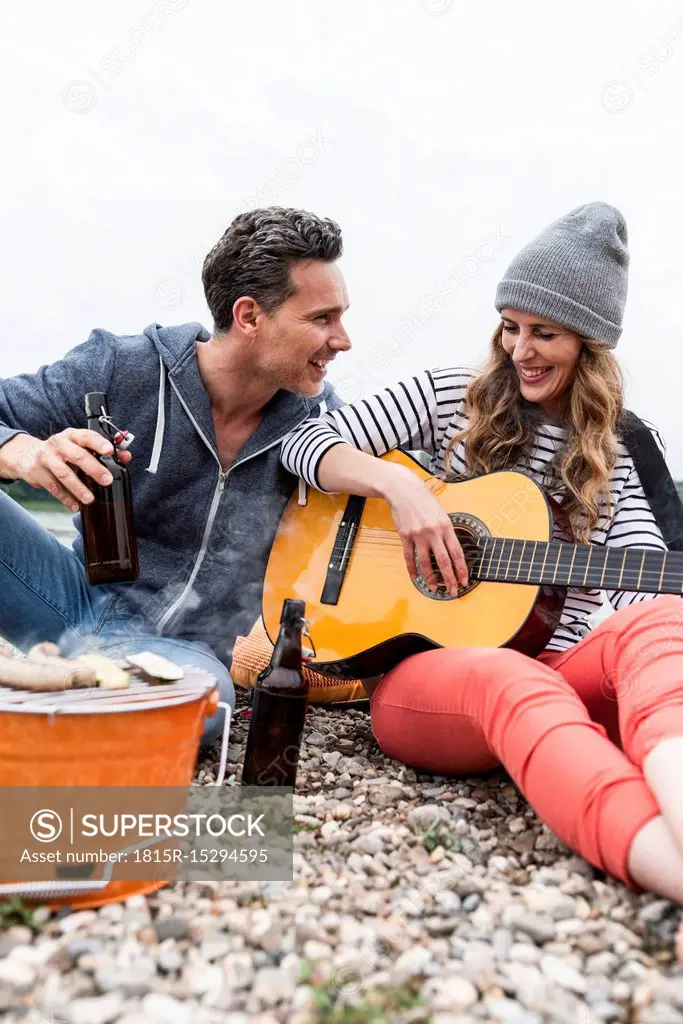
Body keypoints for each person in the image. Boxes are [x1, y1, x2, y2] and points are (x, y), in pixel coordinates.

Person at [281, 201, 683, 901]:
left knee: (660, 626)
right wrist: (401, 494)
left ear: (588, 344)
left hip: (559, 663)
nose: (519, 350)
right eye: (509, 327)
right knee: (510, 678)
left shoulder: (611, 455)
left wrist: (651, 614)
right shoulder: (446, 398)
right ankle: (665, 870)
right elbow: (304, 446)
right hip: (421, 678)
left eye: (544, 334)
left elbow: (646, 584)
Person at [0, 207, 350, 747]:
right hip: (64, 598)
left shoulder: (322, 428)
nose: (342, 339)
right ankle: (79, 697)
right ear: (249, 316)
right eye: (322, 319)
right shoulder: (121, 367)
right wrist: (23, 453)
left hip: (184, 652)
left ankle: (57, 702)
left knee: (208, 703)